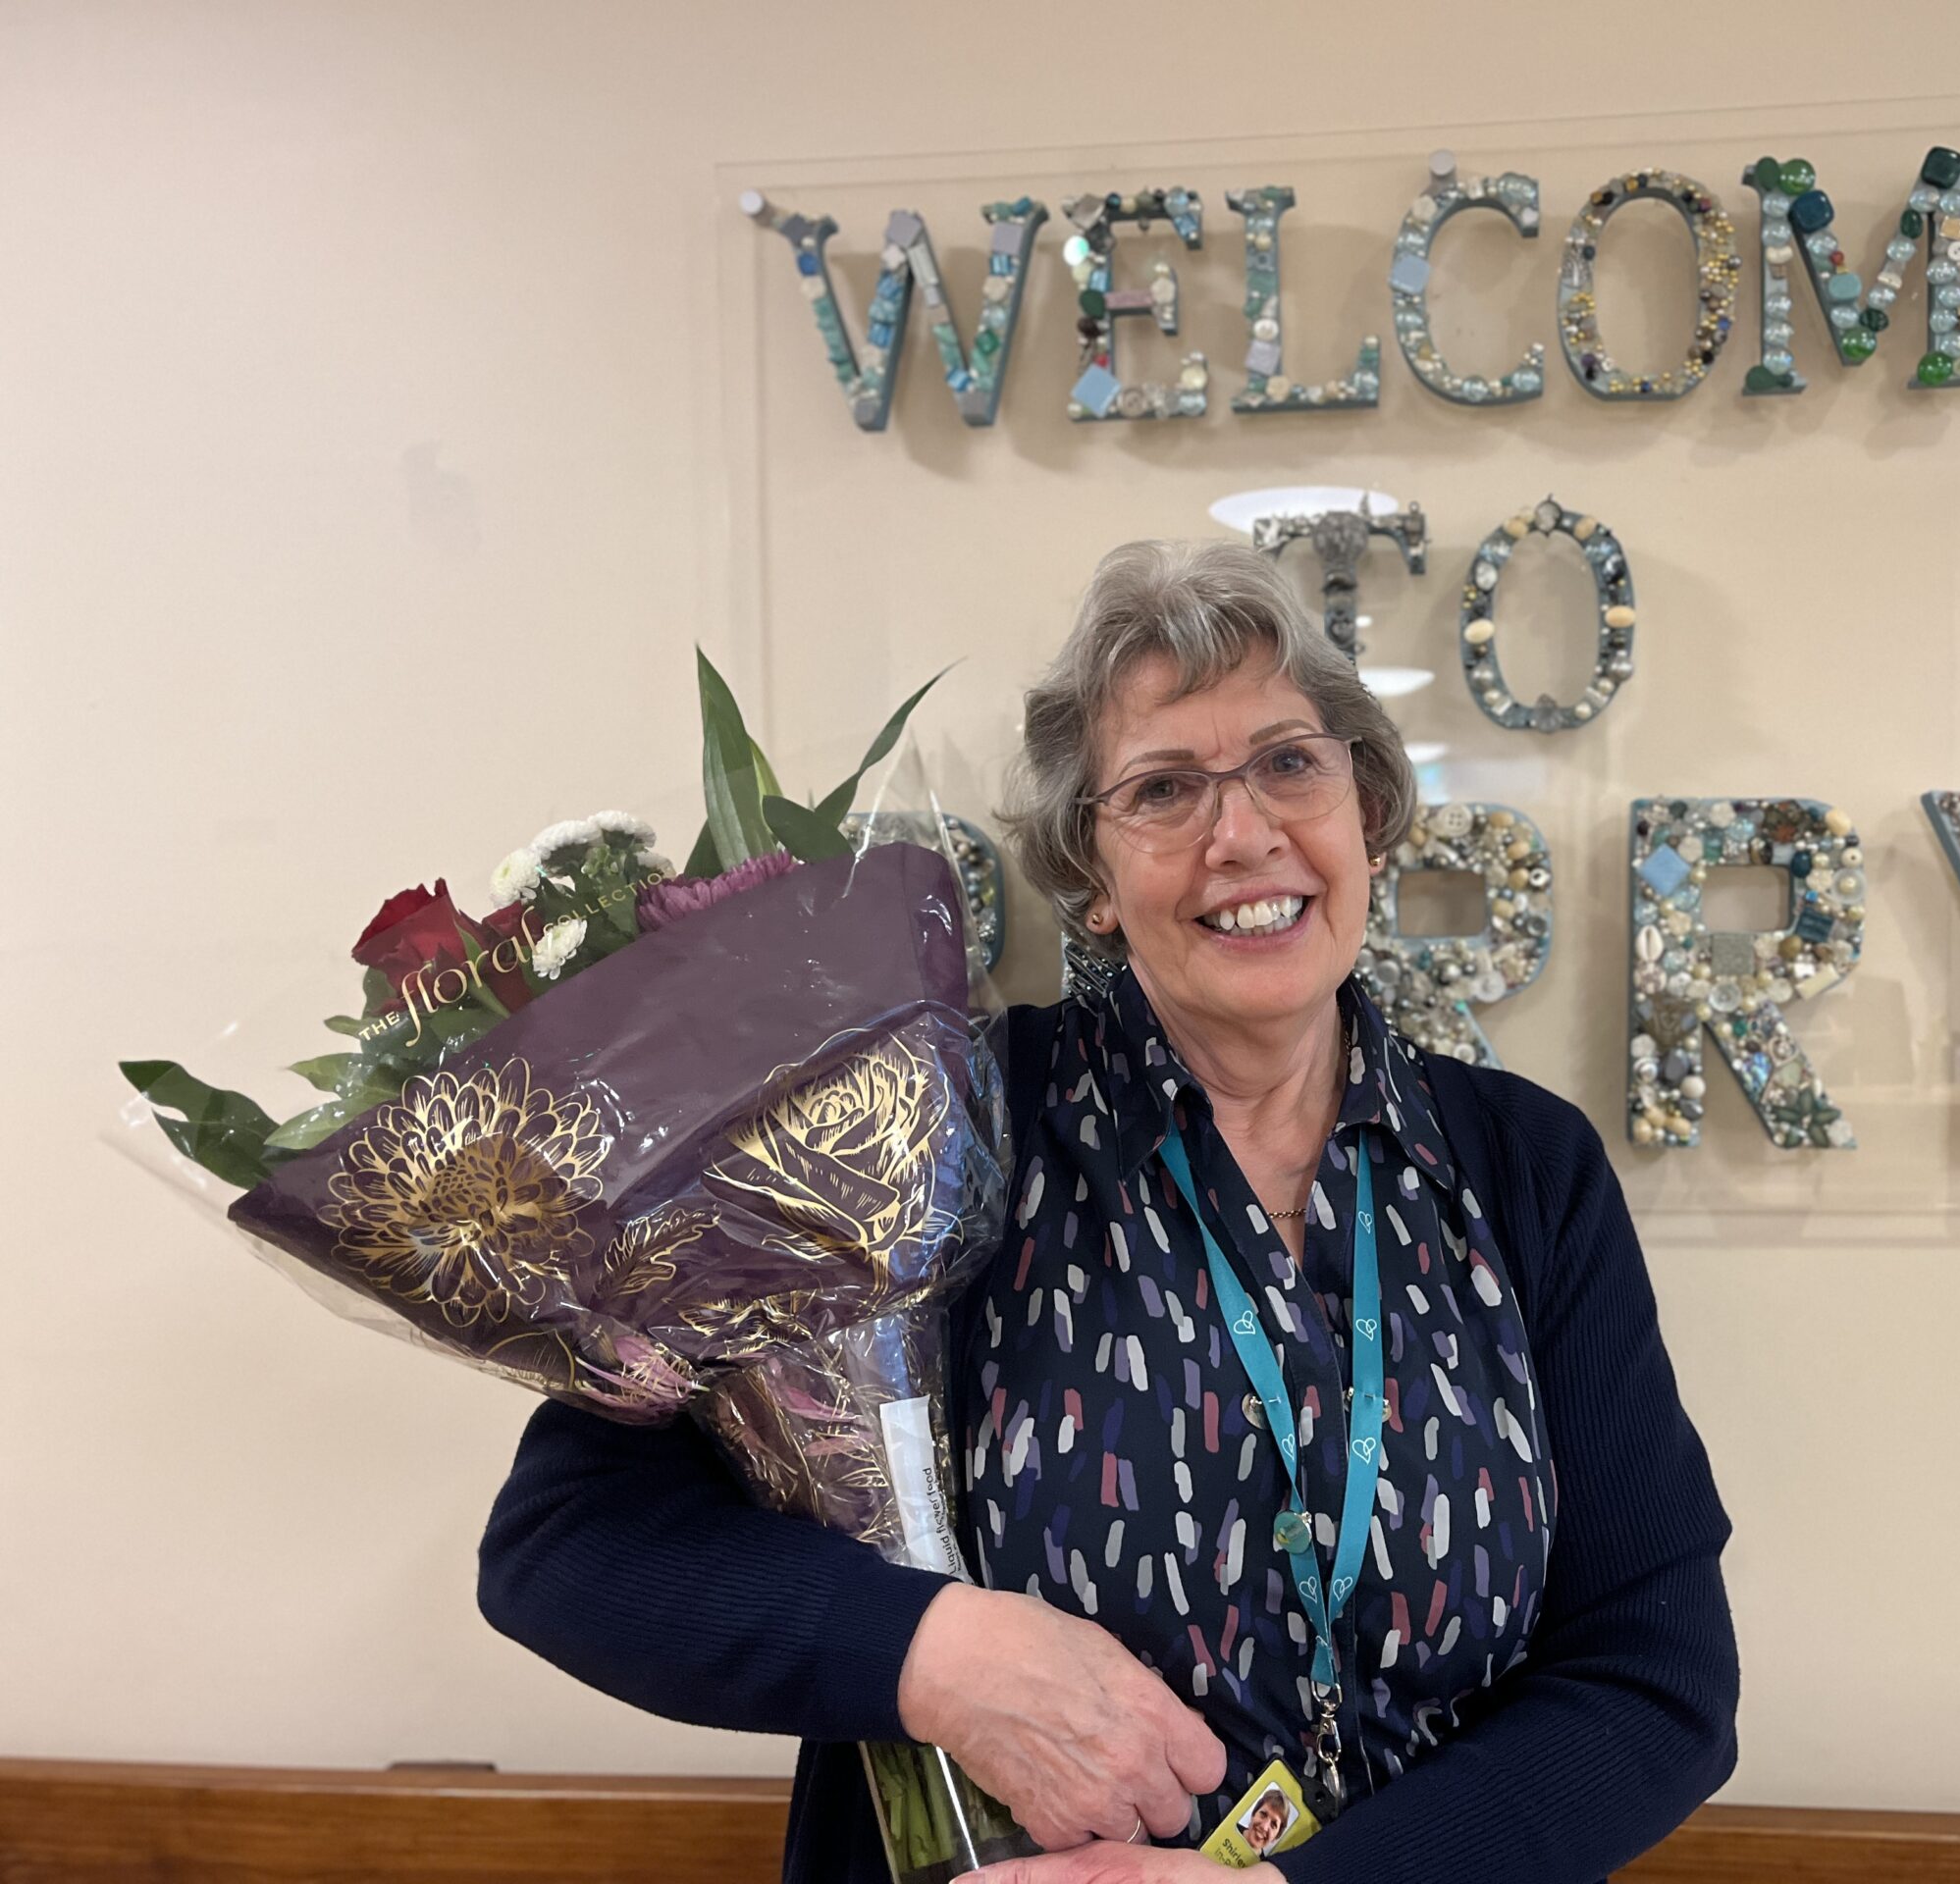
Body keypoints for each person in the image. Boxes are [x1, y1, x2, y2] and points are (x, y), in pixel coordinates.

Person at [476, 540, 1738, 1884]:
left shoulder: (1519, 1166)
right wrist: (931, 1654)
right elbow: (568, 1547)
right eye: (1164, 789)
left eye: (1290, 764)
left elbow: (1656, 1675)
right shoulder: (929, 1131)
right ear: (1089, 873)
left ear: (1367, 810)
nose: (1241, 833)